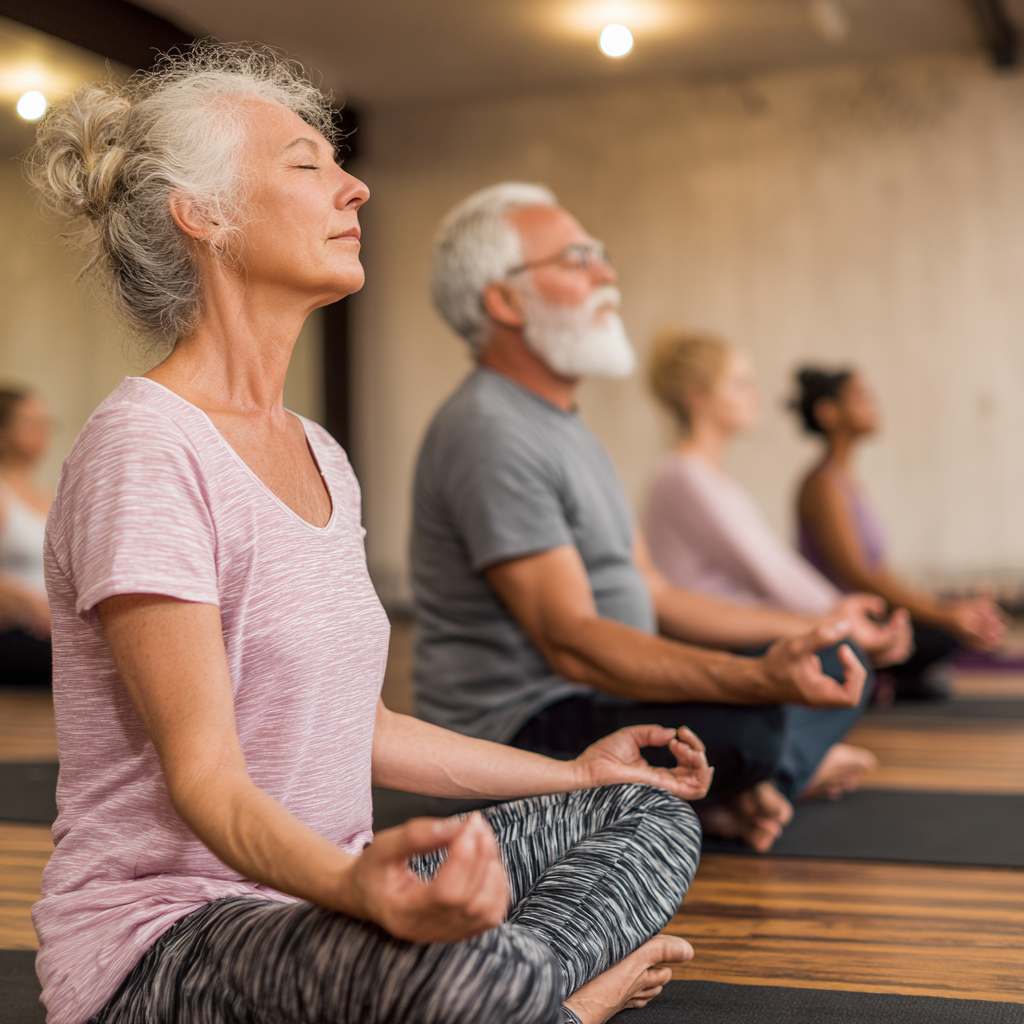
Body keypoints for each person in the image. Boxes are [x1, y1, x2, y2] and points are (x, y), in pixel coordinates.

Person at [28, 47, 716, 1024]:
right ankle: (561, 1007)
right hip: (167, 945)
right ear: (203, 211)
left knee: (641, 812)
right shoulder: (144, 446)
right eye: (306, 164)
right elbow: (207, 778)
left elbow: (367, 729)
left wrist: (571, 772)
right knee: (459, 968)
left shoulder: (320, 456)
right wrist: (359, 895)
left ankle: (509, 996)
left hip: (329, 910)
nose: (353, 186)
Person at [413, 182, 909, 853]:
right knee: (757, 726)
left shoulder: (566, 426)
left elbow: (659, 593)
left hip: (608, 691)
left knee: (832, 661)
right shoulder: (488, 429)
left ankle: (736, 791)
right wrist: (756, 677)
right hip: (528, 726)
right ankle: (761, 779)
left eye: (600, 255)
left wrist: (815, 627)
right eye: (577, 259)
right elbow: (572, 642)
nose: (607, 274)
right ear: (503, 300)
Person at [642, 333, 915, 788]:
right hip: (712, 641)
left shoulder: (706, 476)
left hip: (743, 628)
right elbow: (766, 570)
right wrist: (842, 619)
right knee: (841, 662)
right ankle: (787, 772)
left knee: (844, 661)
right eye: (740, 383)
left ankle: (791, 761)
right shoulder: (681, 475)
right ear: (698, 399)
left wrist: (840, 616)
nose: (755, 395)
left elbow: (772, 565)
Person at [791, 367, 1005, 699]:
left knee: (954, 620)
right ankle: (878, 678)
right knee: (943, 632)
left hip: (871, 612)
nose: (873, 405)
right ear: (828, 413)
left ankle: (892, 680)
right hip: (846, 622)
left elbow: (881, 571)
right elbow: (860, 575)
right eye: (861, 397)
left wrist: (944, 606)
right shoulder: (822, 486)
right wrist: (944, 614)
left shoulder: (846, 482)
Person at [0, 387, 54, 687]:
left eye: (46, 423)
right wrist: (24, 600)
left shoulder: (53, 495)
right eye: (30, 423)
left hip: (51, 629)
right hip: (16, 630)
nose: (42, 431)